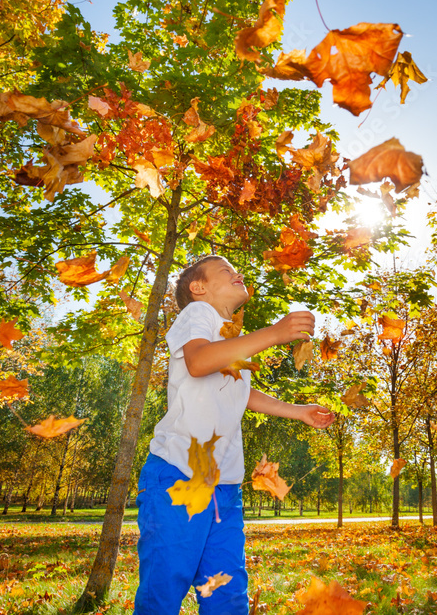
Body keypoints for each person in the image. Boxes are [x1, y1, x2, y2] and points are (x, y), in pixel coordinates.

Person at [135, 255, 335, 615]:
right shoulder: (199, 315)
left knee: (227, 595)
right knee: (164, 589)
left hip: (223, 486)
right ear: (199, 288)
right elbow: (198, 363)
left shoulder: (231, 337)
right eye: (227, 271)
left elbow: (242, 394)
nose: (238, 274)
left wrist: (297, 411)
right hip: (178, 473)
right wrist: (275, 333)